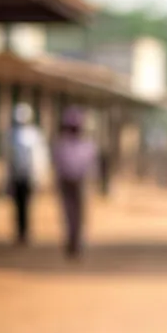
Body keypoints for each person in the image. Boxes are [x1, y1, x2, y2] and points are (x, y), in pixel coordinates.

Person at [51, 106, 97, 258]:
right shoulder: (61, 144)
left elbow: (91, 165)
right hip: (66, 181)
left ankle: (77, 241)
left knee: (80, 214)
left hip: (81, 181)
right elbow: (57, 164)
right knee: (68, 213)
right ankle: (71, 240)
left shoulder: (87, 144)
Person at [7, 103, 45, 245]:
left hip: (29, 175)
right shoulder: (11, 134)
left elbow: (39, 158)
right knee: (17, 205)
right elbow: (9, 158)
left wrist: (38, 176)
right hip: (16, 176)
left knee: (27, 204)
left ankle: (26, 231)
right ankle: (20, 231)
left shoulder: (34, 134)